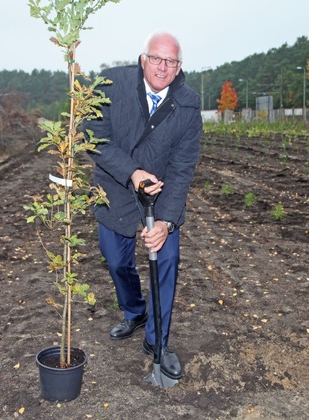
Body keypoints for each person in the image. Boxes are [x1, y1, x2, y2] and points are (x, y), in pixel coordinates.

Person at [85, 32, 202, 380]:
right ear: (143, 59)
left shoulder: (188, 104)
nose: (162, 67)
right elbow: (94, 138)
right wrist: (132, 172)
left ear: (179, 67)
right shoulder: (109, 85)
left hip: (162, 193)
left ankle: (157, 341)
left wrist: (165, 220)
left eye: (171, 62)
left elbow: (183, 166)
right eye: (156, 59)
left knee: (165, 263)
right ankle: (134, 312)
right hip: (115, 186)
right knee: (116, 259)